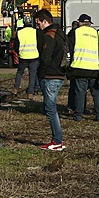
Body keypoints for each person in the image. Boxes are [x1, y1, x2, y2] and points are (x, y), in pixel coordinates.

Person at [34, 9, 67, 150]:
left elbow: (45, 58)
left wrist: (40, 75)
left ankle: (57, 141)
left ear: (45, 21)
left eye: (38, 23)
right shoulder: (61, 34)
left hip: (50, 75)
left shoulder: (48, 36)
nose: (37, 27)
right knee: (51, 108)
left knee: (50, 109)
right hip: (59, 74)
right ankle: (57, 140)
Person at [67, 14, 99, 121]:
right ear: (90, 23)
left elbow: (68, 49)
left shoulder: (75, 33)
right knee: (97, 94)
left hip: (79, 68)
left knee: (80, 93)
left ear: (79, 23)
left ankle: (78, 115)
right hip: (95, 69)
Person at [12, 16, 40, 96]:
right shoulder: (35, 32)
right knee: (32, 74)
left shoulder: (20, 32)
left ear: (23, 23)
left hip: (23, 56)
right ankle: (30, 92)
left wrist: (19, 52)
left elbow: (16, 45)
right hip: (34, 56)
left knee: (20, 72)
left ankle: (16, 88)